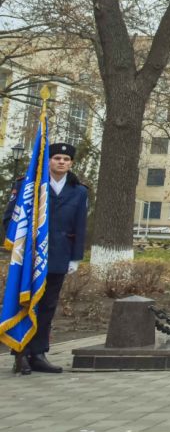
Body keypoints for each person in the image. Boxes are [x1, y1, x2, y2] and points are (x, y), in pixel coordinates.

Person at [5, 142, 87, 376]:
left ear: (71, 163)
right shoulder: (29, 185)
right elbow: (11, 218)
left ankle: (39, 354)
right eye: (57, 158)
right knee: (25, 303)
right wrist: (18, 247)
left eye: (66, 159)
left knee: (48, 306)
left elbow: (80, 226)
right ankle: (20, 354)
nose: (61, 162)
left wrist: (75, 257)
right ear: (48, 161)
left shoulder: (78, 190)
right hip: (29, 256)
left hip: (58, 255)